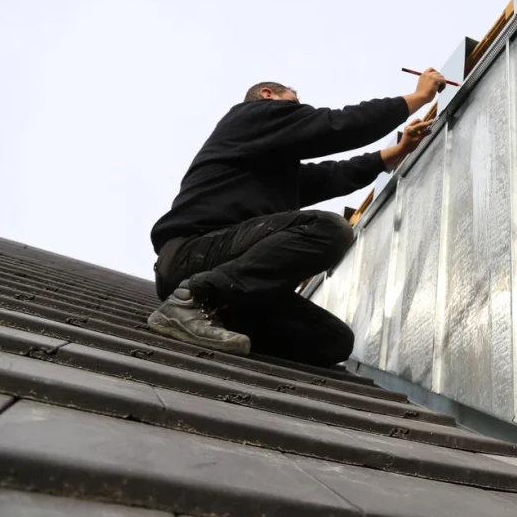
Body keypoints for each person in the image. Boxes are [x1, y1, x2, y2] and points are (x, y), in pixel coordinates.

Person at [147, 70, 446, 366]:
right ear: (268, 94)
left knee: (332, 341)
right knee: (329, 229)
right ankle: (191, 301)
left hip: (226, 277)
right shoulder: (253, 116)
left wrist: (399, 150)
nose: (299, 113)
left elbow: (334, 175)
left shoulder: (272, 169)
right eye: (294, 103)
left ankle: (209, 318)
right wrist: (419, 97)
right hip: (193, 254)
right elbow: (336, 125)